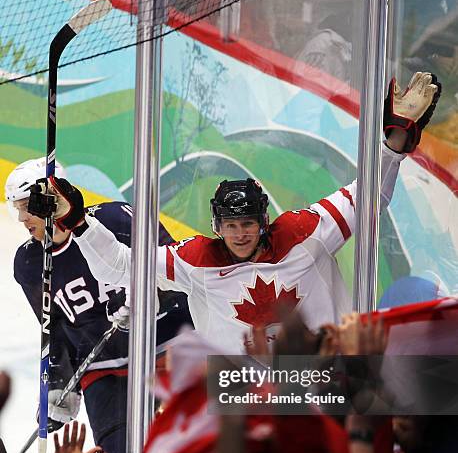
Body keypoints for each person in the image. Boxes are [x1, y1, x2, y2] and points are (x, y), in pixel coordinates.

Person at [27, 72, 440, 353]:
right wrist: (79, 224)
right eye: (230, 226)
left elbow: (369, 198)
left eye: (247, 224)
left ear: (263, 223)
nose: (240, 234)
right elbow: (122, 267)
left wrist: (392, 146)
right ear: (217, 227)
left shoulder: (305, 231)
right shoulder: (195, 260)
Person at [6, 159, 192, 453]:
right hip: (104, 372)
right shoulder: (28, 261)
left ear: (52, 200)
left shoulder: (115, 219)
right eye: (16, 209)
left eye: (28, 207)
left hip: (167, 348)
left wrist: (149, 295)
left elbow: (180, 270)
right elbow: (56, 331)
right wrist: (60, 386)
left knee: (210, 450)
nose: (22, 219)